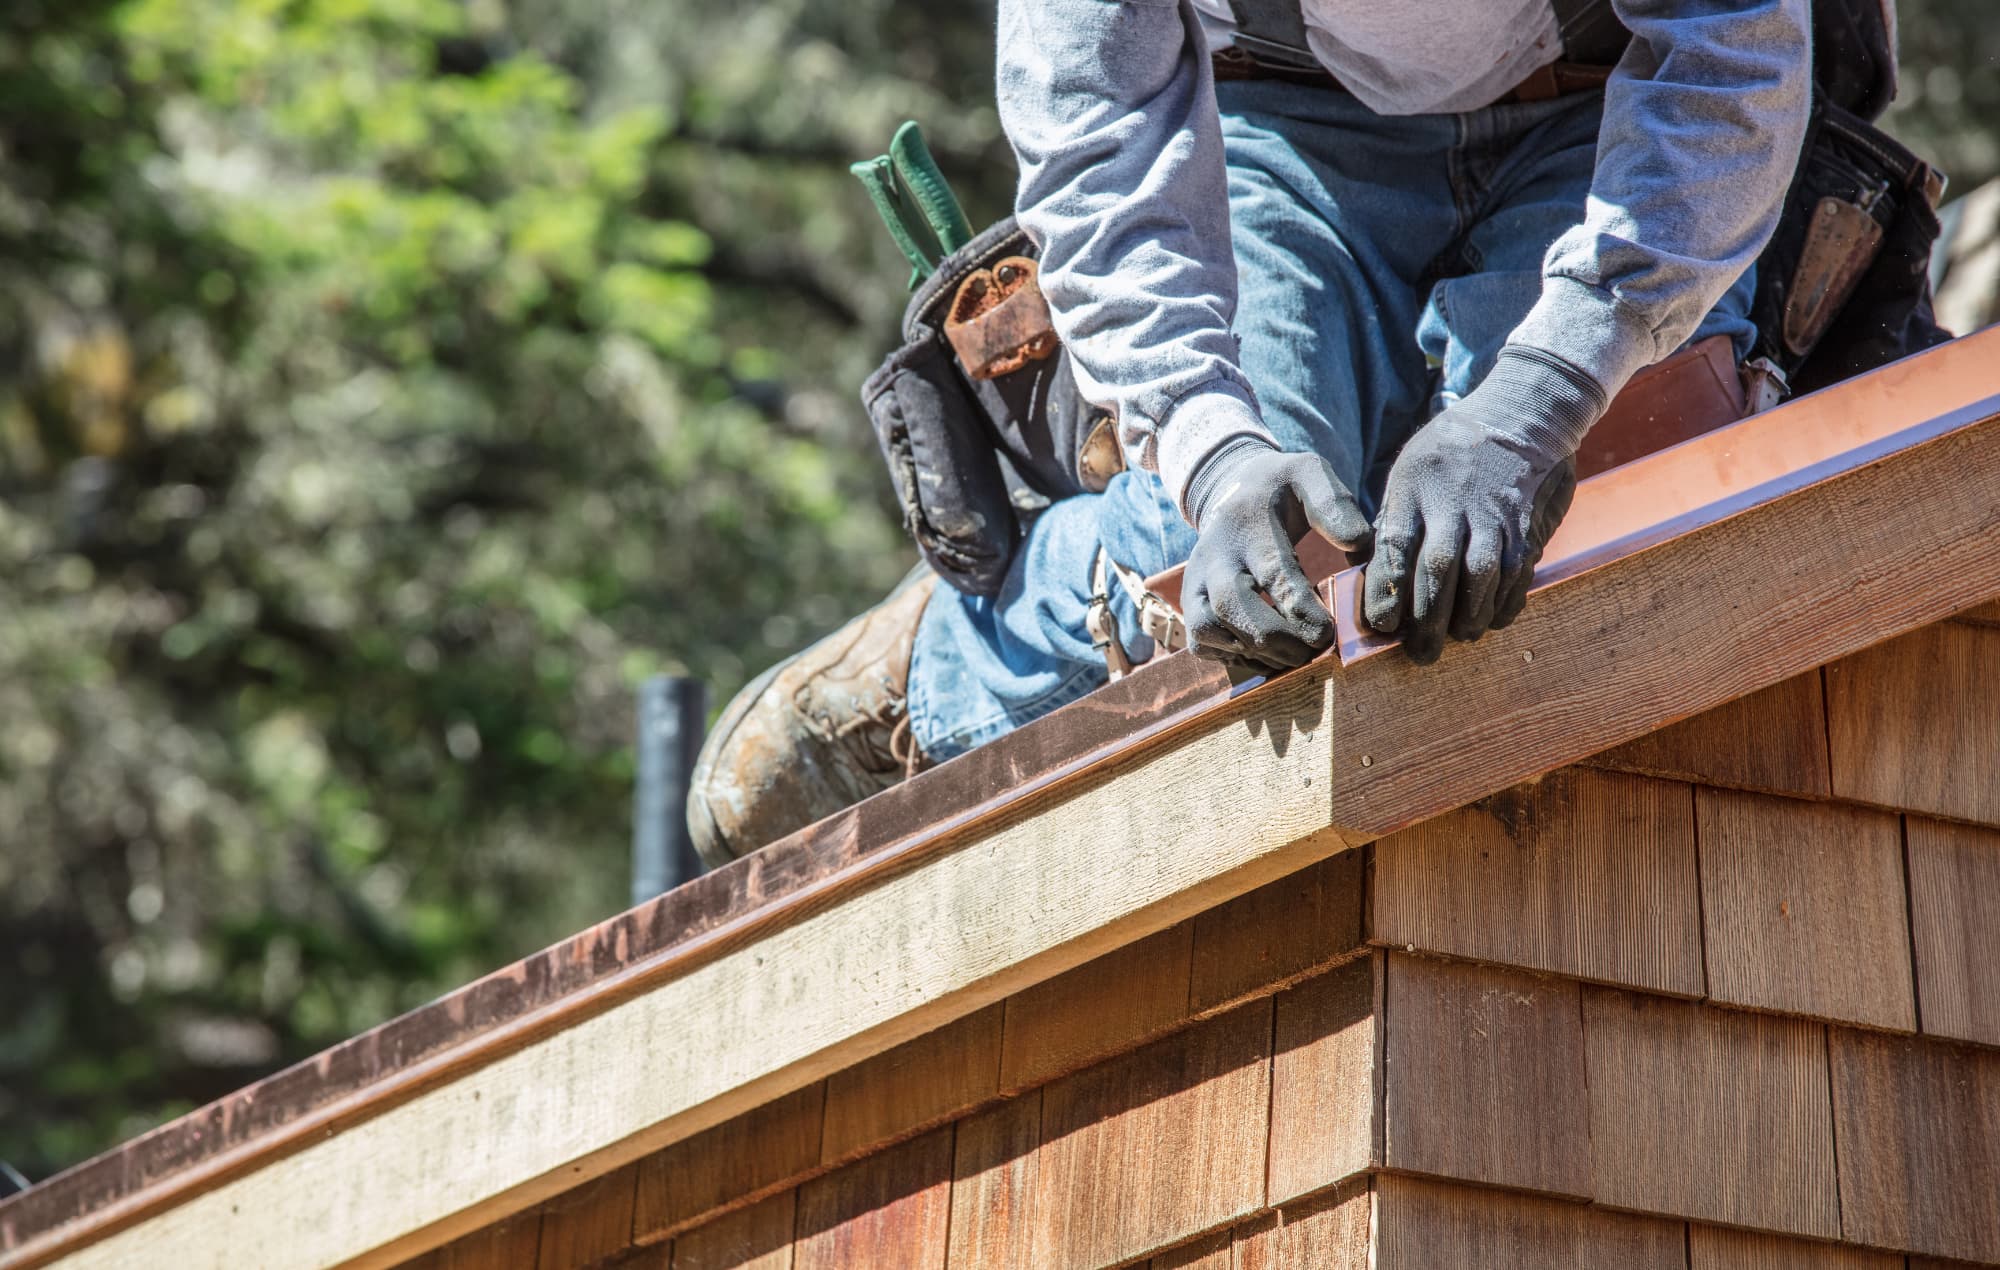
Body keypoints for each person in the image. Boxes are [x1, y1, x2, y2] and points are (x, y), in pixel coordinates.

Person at [687, 0, 1814, 866]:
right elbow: (1094, 133)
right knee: (1264, 557)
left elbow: (1730, 64)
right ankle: (948, 666)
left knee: (1622, 484)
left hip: (1607, 110)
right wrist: (1211, 445)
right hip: (1278, 124)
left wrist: (1534, 402)